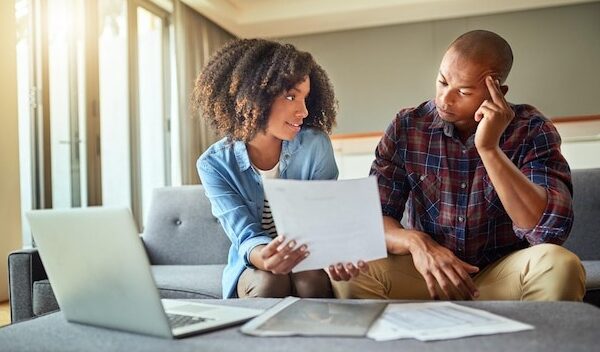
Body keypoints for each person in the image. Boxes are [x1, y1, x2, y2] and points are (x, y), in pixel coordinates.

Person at [333, 30, 585, 301]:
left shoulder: (532, 129)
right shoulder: (408, 126)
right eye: (442, 82)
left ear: (497, 91)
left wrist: (489, 149)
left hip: (500, 276)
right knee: (354, 270)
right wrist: (419, 244)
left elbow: (548, 231)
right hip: (428, 274)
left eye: (463, 91)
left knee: (560, 264)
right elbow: (373, 219)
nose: (445, 99)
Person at [194, 39, 366, 299]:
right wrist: (266, 257)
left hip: (310, 258)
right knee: (270, 282)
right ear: (253, 96)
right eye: (291, 96)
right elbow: (244, 234)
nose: (304, 111)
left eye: (305, 98)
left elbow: (324, 220)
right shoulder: (214, 164)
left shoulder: (315, 146)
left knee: (309, 279)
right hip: (255, 264)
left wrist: (335, 249)